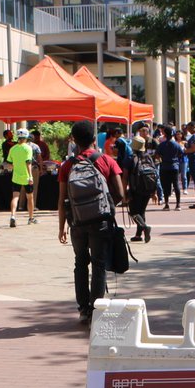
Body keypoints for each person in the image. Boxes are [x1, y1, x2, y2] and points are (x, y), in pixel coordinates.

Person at [57, 119, 124, 325]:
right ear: (94, 139)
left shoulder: (67, 165)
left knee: (80, 263)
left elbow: (62, 200)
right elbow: (121, 193)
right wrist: (106, 206)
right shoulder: (106, 161)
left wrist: (62, 227)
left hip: (77, 222)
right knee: (99, 264)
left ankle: (83, 309)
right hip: (101, 221)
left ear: (74, 140)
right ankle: (96, 308)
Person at [127, 137, 156, 244]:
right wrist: (155, 192)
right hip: (148, 188)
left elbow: (125, 176)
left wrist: (124, 191)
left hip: (136, 188)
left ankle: (144, 227)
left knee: (134, 211)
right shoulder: (148, 157)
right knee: (142, 211)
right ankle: (138, 235)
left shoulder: (130, 158)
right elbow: (154, 174)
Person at [7, 127, 36, 227]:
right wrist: (30, 176)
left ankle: (13, 216)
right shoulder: (28, 148)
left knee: (15, 197)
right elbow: (28, 163)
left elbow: (10, 164)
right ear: (26, 137)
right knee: (30, 197)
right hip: (26, 177)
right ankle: (31, 218)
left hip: (16, 177)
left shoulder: (13, 149)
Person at [155, 126, 184, 211]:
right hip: (174, 166)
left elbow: (157, 155)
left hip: (164, 166)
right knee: (176, 185)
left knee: (166, 186)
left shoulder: (162, 145)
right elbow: (181, 154)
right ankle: (178, 204)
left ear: (164, 134)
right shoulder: (176, 144)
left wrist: (162, 157)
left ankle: (167, 204)